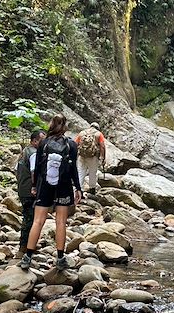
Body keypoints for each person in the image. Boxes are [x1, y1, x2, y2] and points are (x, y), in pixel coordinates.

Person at [19, 114, 83, 271]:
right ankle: (60, 259)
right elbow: (74, 168)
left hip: (45, 185)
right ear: (65, 126)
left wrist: (34, 186)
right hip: (64, 186)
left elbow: (40, 168)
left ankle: (27, 257)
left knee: (37, 221)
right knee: (60, 222)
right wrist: (78, 188)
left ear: (51, 125)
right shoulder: (71, 145)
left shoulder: (44, 143)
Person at [15, 129, 45, 259]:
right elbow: (34, 171)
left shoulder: (24, 152)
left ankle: (28, 245)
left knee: (29, 217)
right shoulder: (34, 153)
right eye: (41, 140)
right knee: (30, 219)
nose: (44, 143)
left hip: (22, 188)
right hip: (30, 190)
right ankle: (24, 248)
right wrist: (35, 187)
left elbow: (16, 170)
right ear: (34, 141)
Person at [75, 121, 106, 194]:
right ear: (97, 128)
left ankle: (79, 190)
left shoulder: (82, 133)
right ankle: (92, 189)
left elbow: (75, 143)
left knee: (80, 172)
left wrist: (75, 156)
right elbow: (102, 146)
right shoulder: (99, 134)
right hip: (93, 157)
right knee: (92, 173)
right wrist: (103, 158)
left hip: (81, 156)